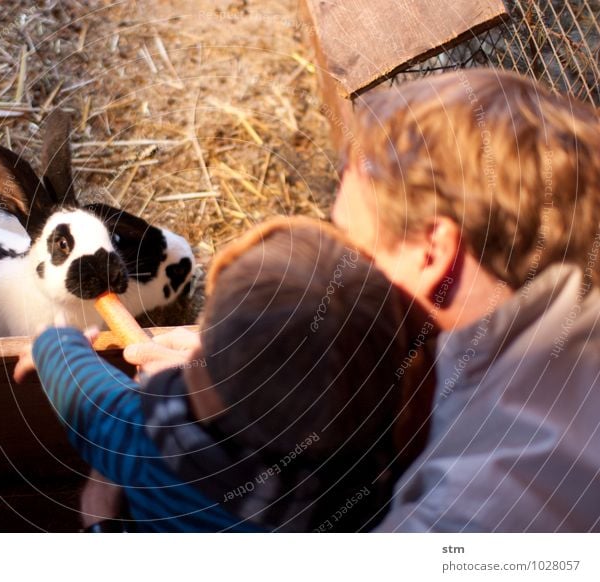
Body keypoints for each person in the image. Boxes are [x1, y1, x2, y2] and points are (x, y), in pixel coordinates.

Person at [130, 68, 600, 531]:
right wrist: (248, 361)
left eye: (354, 250)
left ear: (432, 253)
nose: (344, 262)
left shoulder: (462, 516)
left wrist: (104, 525)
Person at [15, 217, 434, 531]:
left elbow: (88, 399)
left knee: (100, 502)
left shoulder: (149, 436)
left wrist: (57, 347)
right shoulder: (370, 470)